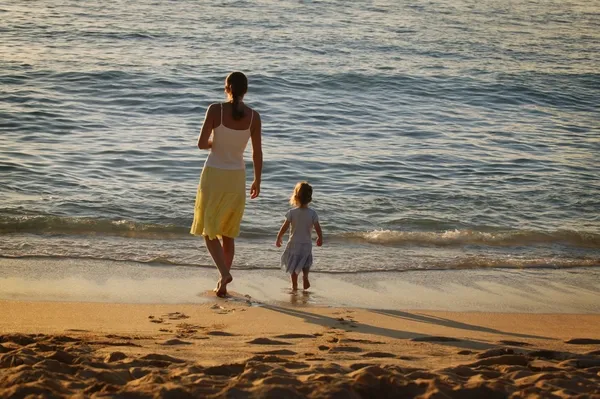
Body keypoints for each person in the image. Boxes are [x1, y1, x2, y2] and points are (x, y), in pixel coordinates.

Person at [191, 72, 262, 297]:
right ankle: (223, 283)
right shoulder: (254, 117)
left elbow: (202, 144)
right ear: (245, 90)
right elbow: (257, 152)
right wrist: (257, 180)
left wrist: (216, 142)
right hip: (236, 177)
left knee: (208, 231)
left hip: (213, 174)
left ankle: (223, 273)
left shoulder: (215, 110)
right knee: (228, 233)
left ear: (227, 88)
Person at [276, 182, 323, 291]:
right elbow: (318, 227)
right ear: (310, 198)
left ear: (295, 197)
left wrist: (279, 237)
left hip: (294, 243)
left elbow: (284, 227)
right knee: (305, 262)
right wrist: (320, 237)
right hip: (306, 243)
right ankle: (305, 276)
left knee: (293, 264)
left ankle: (294, 285)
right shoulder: (312, 213)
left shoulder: (292, 213)